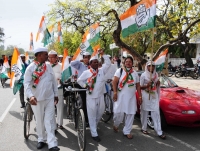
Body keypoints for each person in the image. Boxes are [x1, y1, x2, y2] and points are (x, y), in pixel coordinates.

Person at [24, 47, 60, 151]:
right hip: (36, 100)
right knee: (39, 121)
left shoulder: (48, 66)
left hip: (49, 98)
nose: (47, 56)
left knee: (48, 120)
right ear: (39, 55)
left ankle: (52, 144)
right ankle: (41, 139)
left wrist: (56, 94)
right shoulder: (30, 68)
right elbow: (26, 84)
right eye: (45, 54)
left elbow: (53, 81)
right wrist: (30, 96)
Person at [77, 50, 111, 142]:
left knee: (100, 112)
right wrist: (85, 86)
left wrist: (103, 54)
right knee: (91, 114)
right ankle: (94, 133)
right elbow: (79, 80)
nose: (96, 63)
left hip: (100, 96)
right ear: (90, 63)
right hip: (91, 97)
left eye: (97, 62)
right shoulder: (87, 72)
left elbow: (108, 63)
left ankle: (94, 126)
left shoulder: (101, 70)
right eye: (94, 62)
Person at [112, 55, 142, 139]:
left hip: (131, 98)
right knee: (118, 113)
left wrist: (140, 97)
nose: (128, 63)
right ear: (124, 63)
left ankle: (127, 131)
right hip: (120, 96)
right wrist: (114, 92)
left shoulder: (135, 73)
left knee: (131, 113)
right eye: (127, 62)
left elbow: (138, 86)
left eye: (130, 62)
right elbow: (114, 82)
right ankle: (116, 124)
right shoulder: (120, 71)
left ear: (132, 63)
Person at [140, 61, 166, 139]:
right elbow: (140, 87)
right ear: (147, 67)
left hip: (154, 96)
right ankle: (144, 128)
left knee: (156, 113)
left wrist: (158, 83)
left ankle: (159, 131)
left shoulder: (156, 75)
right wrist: (147, 85)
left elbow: (157, 85)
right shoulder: (143, 75)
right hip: (145, 97)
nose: (151, 67)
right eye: (150, 66)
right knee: (144, 113)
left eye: (153, 66)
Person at [70, 51, 91, 126]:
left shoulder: (92, 65)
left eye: (88, 57)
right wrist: (80, 60)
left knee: (91, 104)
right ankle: (85, 119)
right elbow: (71, 63)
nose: (87, 59)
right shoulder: (80, 65)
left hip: (91, 86)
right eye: (85, 57)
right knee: (83, 103)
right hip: (81, 86)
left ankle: (91, 119)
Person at [48, 50, 64, 129]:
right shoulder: (46, 66)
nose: (51, 59)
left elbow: (64, 76)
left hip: (59, 88)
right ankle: (52, 124)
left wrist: (61, 80)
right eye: (49, 57)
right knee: (50, 107)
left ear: (56, 58)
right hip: (48, 89)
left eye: (52, 57)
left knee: (59, 106)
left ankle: (60, 123)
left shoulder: (61, 66)